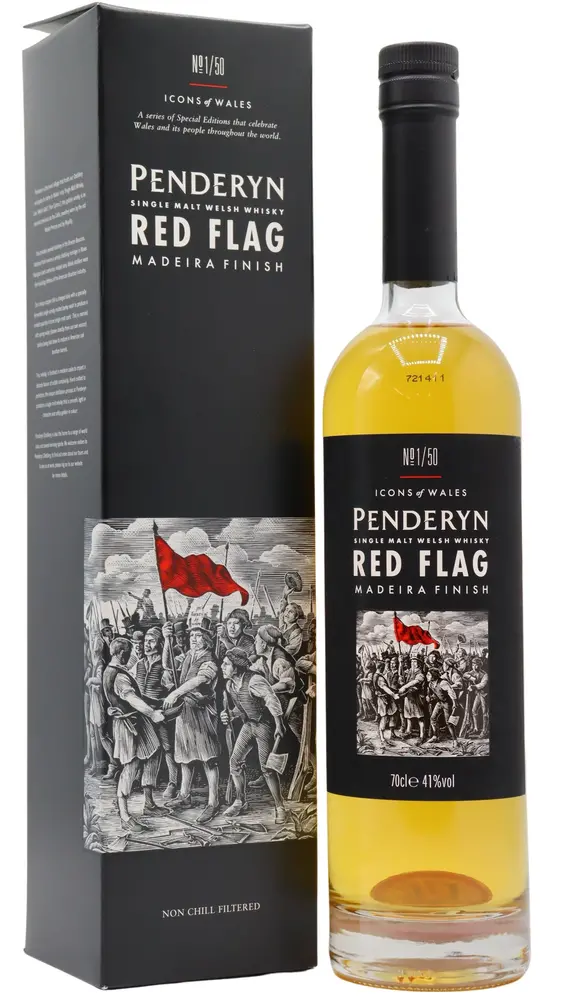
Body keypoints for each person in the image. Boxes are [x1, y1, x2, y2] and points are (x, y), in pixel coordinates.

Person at [162, 613, 221, 823]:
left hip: (202, 713)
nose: (194, 639)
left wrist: (175, 693)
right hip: (185, 712)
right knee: (185, 754)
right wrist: (166, 639)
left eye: (198, 635)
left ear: (207, 638)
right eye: (192, 635)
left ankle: (213, 802)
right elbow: (167, 664)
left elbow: (199, 680)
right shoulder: (189, 655)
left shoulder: (210, 660)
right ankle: (184, 795)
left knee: (208, 758)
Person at [103, 637, 165, 830]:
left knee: (153, 753)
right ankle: (125, 816)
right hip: (128, 724)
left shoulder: (114, 670)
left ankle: (149, 803)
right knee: (131, 765)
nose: (130, 656)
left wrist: (156, 702)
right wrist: (153, 713)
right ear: (122, 653)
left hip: (136, 721)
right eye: (128, 653)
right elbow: (130, 698)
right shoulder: (118, 675)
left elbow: (135, 696)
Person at [220, 647, 286, 823]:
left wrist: (279, 724)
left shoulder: (254, 680)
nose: (222, 667)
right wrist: (230, 714)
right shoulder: (230, 685)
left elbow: (271, 699)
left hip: (264, 724)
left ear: (236, 666)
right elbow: (242, 707)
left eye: (226, 664)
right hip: (249, 725)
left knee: (267, 769)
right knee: (235, 762)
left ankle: (280, 807)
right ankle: (240, 801)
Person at [133, 626, 177, 801]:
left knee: (167, 747)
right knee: (143, 746)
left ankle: (173, 782)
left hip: (160, 713)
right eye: (146, 641)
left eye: (151, 641)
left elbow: (171, 688)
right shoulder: (139, 664)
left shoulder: (164, 666)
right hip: (143, 712)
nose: (146, 644)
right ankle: (139, 778)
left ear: (159, 643)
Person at [87, 618, 118, 779]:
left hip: (102, 697)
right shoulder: (96, 660)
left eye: (109, 629)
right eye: (106, 630)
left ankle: (113, 763)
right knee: (96, 733)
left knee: (103, 733)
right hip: (95, 698)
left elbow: (100, 679)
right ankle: (98, 764)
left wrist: (91, 680)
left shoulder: (102, 661)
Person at [426, 664, 459, 746]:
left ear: (434, 676)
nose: (427, 676)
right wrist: (431, 697)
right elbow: (437, 693)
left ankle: (455, 740)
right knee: (433, 718)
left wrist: (454, 703)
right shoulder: (430, 684)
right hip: (440, 702)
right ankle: (435, 736)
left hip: (447, 703)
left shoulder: (443, 683)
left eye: (429, 675)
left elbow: (451, 692)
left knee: (449, 722)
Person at [398, 653, 426, 742]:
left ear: (419, 663)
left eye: (415, 662)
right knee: (408, 715)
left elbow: (415, 681)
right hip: (408, 696)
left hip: (417, 697)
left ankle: (422, 735)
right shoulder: (410, 671)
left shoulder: (420, 673)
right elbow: (400, 674)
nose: (413, 663)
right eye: (412, 661)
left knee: (419, 716)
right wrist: (400, 663)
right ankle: (408, 731)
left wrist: (404, 687)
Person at [373, 660, 399, 744]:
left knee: (393, 714)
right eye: (384, 667)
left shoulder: (377, 675)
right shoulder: (379, 677)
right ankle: (382, 737)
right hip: (383, 699)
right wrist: (393, 695)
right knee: (384, 717)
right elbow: (384, 688)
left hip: (386, 699)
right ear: (381, 668)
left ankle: (392, 733)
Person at [466, 657, 488, 736]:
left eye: (476, 665)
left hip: (485, 694)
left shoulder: (485, 674)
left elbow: (482, 685)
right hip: (478, 694)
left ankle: (484, 731)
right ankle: (476, 728)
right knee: (474, 710)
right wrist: (470, 677)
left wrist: (473, 686)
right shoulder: (473, 672)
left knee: (485, 713)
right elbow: (465, 674)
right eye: (473, 665)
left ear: (480, 665)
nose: (474, 667)